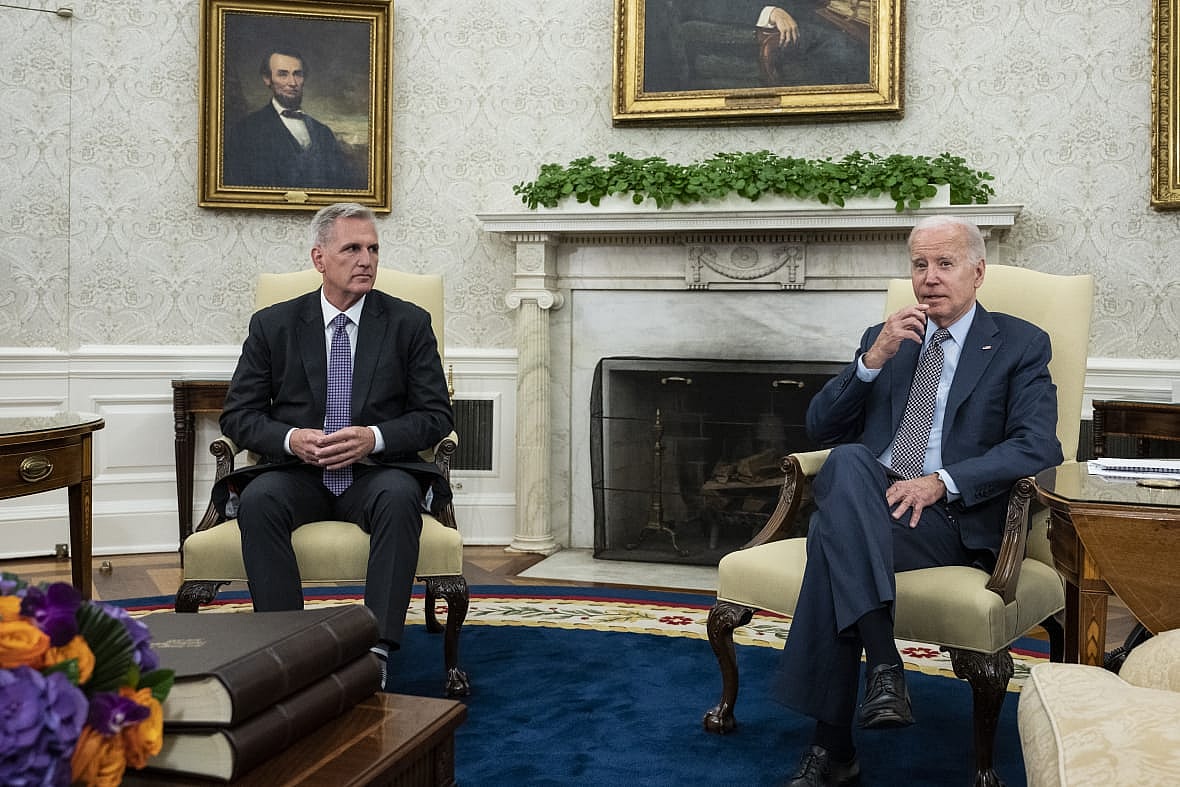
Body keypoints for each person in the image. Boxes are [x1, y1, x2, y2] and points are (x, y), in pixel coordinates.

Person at [772, 215, 1063, 786]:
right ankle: (883, 663)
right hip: (876, 506)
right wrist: (870, 362)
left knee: (832, 539)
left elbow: (1037, 444)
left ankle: (831, 745)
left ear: (977, 272)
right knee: (851, 461)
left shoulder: (1020, 343)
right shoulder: (887, 339)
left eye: (945, 264)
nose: (929, 278)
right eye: (919, 265)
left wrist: (942, 480)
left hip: (952, 518)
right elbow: (820, 428)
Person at [216, 202, 453, 689]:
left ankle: (377, 651)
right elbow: (238, 416)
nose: (366, 260)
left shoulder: (408, 323)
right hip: (298, 472)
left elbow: (436, 417)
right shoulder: (274, 324)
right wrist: (290, 439)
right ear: (320, 258)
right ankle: (291, 649)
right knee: (259, 500)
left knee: (399, 495)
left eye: (372, 249)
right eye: (352, 249)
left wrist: (374, 437)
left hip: (374, 472)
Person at [643, 1, 868, 92]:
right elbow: (699, 5)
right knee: (852, 56)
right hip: (762, 27)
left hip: (817, 16)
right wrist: (769, 12)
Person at [222, 48, 362, 189]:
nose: (292, 82)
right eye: (283, 74)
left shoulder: (323, 132)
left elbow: (341, 185)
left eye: (297, 74)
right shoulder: (245, 130)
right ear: (267, 79)